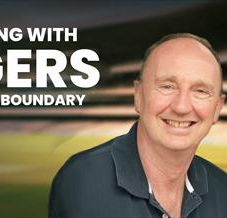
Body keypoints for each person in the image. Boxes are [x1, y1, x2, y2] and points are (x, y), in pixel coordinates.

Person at [49, 33, 227, 218]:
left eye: (200, 91)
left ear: (216, 108)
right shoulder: (84, 180)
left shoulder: (223, 191)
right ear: (138, 96)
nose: (181, 107)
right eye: (167, 86)